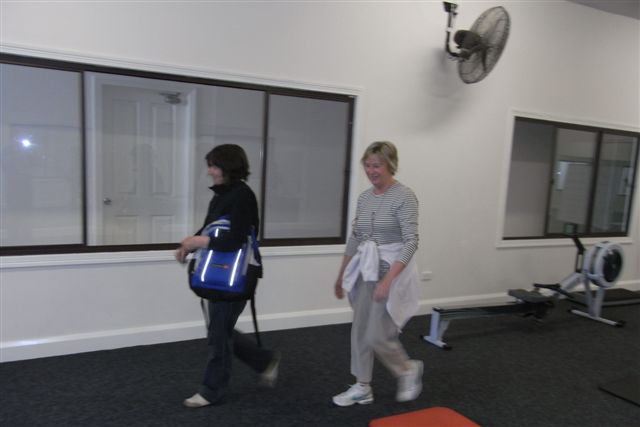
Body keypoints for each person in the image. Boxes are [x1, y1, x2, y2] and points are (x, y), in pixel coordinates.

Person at [175, 144, 280, 408]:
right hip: (218, 274)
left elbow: (234, 240)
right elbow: (210, 229)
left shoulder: (242, 196)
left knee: (218, 334)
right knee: (219, 330)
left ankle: (211, 391)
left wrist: (197, 241)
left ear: (228, 167)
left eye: (214, 166)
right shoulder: (222, 195)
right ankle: (264, 360)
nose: (210, 171)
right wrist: (188, 245)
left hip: (235, 276)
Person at [332, 141, 422, 407]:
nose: (371, 171)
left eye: (377, 165)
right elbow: (356, 237)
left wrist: (388, 280)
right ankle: (362, 386)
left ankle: (407, 369)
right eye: (368, 165)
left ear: (390, 165)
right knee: (360, 331)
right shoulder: (365, 198)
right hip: (366, 270)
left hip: (391, 272)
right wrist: (341, 275)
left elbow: (411, 242)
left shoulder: (404, 196)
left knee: (377, 335)